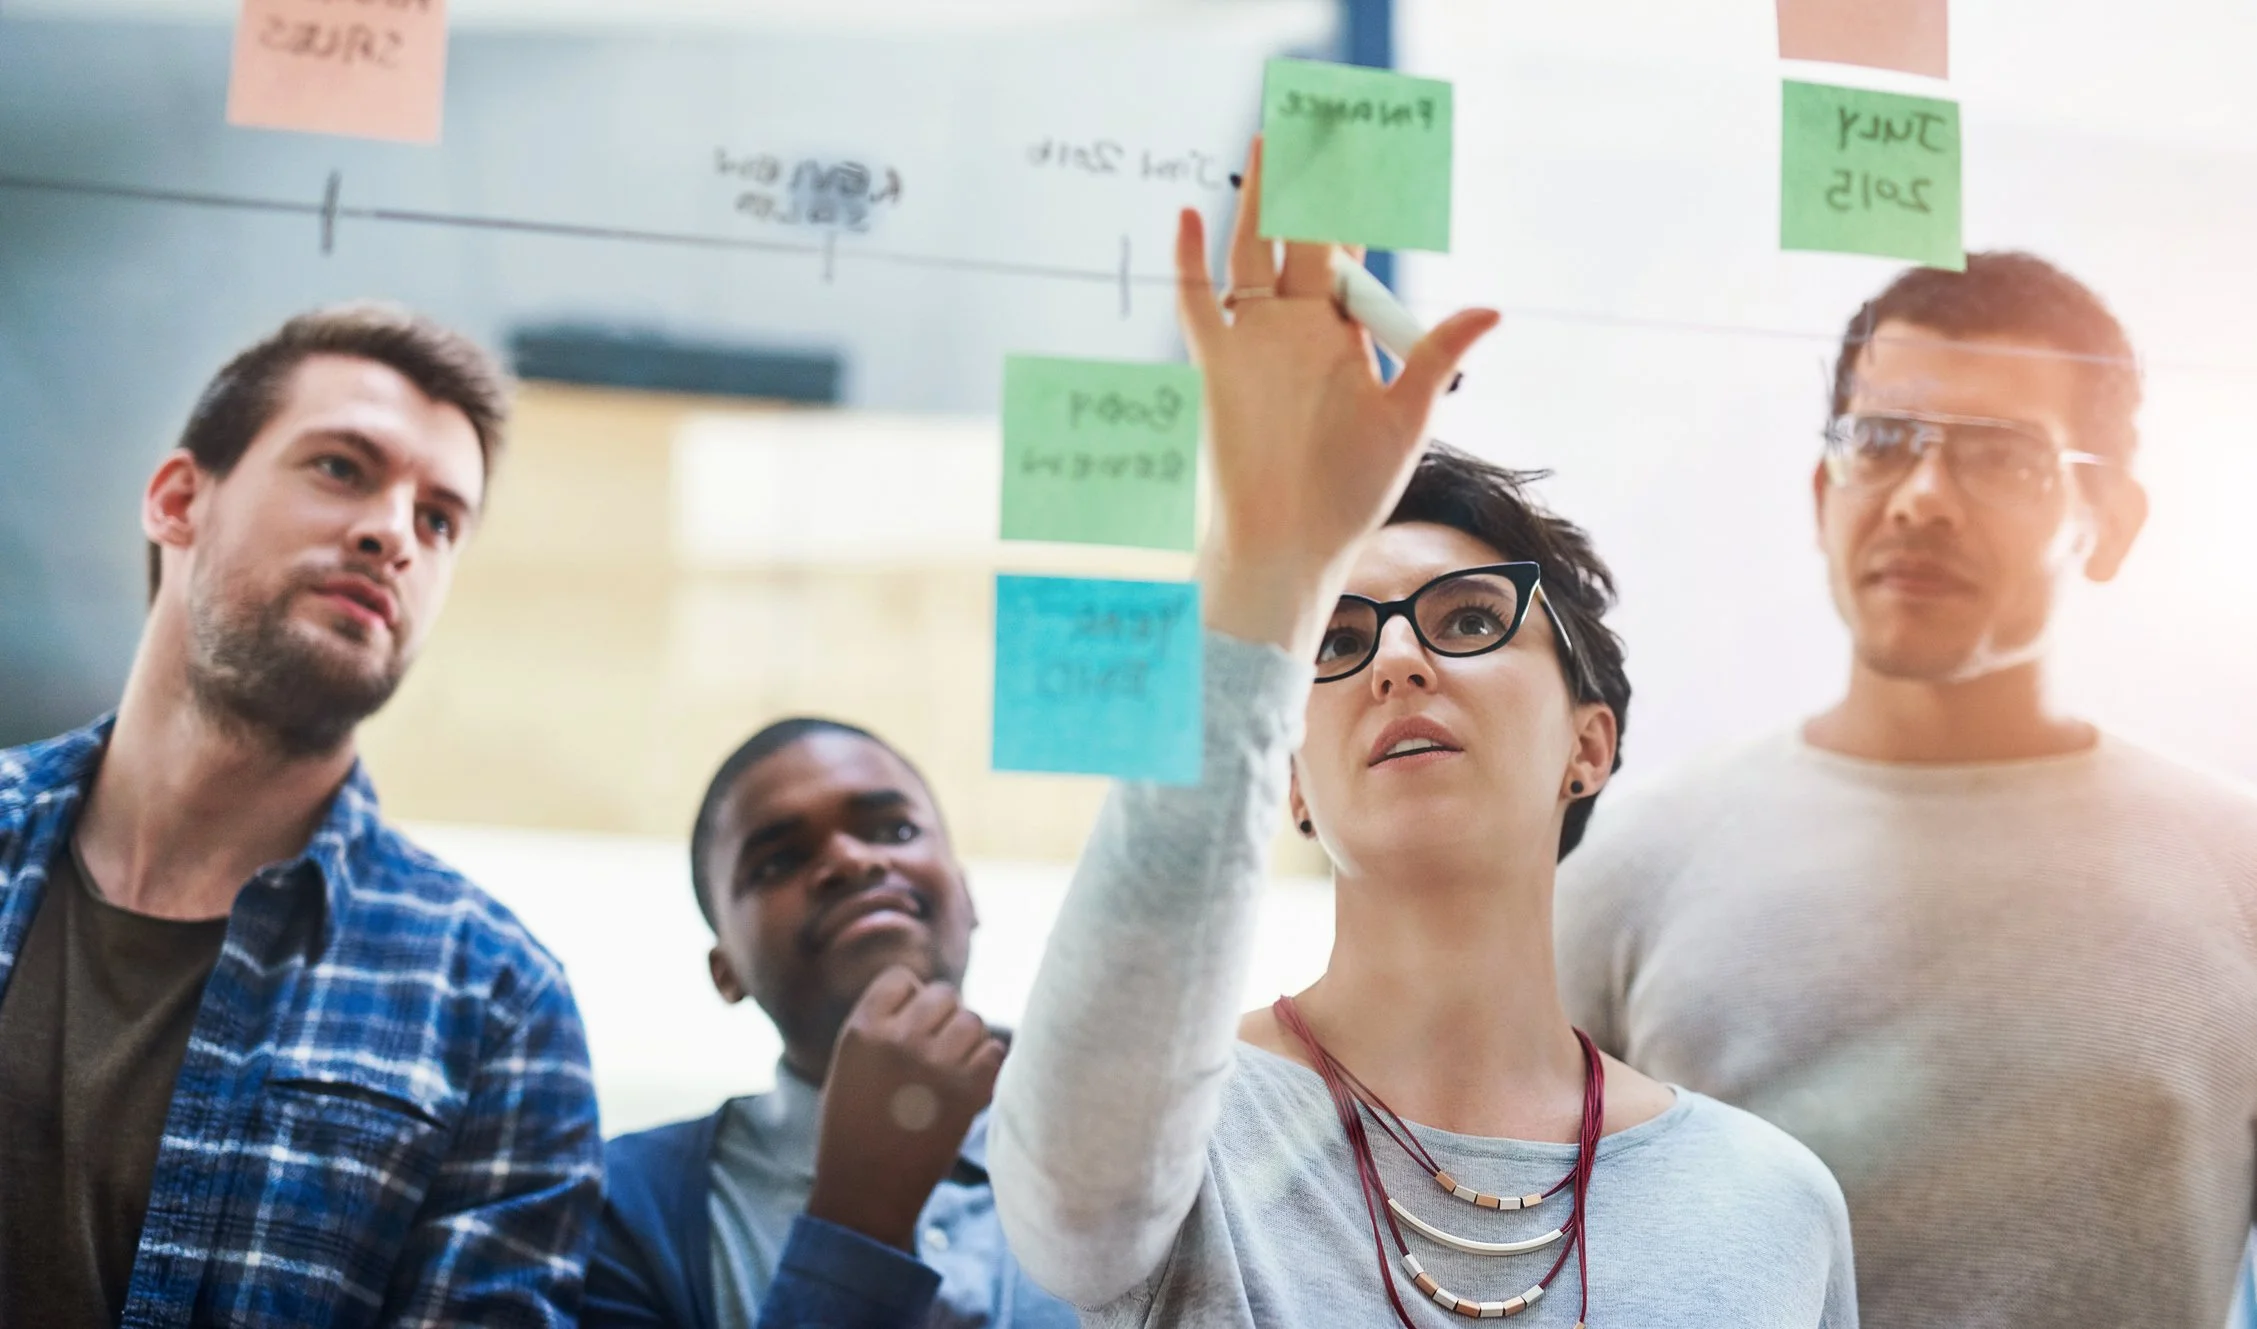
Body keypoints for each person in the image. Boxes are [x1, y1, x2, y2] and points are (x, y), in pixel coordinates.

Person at [988, 141, 1856, 1327]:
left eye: (1465, 620)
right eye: (1337, 642)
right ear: (1286, 781)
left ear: (1588, 745)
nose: (1398, 658)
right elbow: (1066, 1212)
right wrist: (1264, 566)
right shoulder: (1175, 1134)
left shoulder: (1768, 1206)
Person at [1555, 251, 2257, 1328]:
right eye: (1880, 443)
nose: (1922, 498)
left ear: (2111, 521)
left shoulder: (2237, 873)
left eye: (1999, 456)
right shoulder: (1628, 865)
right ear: (1824, 489)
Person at [0, 304, 602, 1325]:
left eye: (439, 519)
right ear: (180, 500)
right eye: (341, 468)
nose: (393, 535)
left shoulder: (495, 1007)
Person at [586, 718, 1077, 1329]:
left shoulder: (1130, 1139)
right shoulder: (623, 1204)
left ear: (967, 895)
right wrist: (858, 1216)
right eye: (779, 861)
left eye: (895, 830)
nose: (850, 858)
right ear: (726, 970)